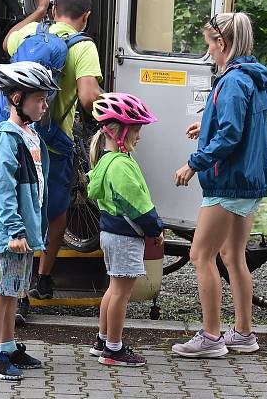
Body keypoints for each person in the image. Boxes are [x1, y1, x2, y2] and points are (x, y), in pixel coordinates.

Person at [171, 12, 267, 358]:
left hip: (228, 182)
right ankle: (243, 333)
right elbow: (240, 125)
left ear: (223, 43)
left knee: (200, 255)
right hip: (249, 181)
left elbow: (231, 135)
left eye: (210, 46)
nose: (209, 53)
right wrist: (207, 124)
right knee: (232, 255)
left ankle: (211, 337)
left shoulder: (231, 82)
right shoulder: (252, 78)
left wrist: (193, 164)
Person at [2, 0, 102, 301]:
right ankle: (42, 278)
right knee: (55, 211)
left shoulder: (31, 32)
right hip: (54, 145)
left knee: (17, 206)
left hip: (19, 137)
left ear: (53, 9)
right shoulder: (83, 46)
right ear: (85, 17)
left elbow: (6, 43)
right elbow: (88, 98)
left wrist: (37, 12)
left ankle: (12, 286)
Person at [0, 62, 58, 380]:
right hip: (13, 233)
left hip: (25, 232)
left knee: (13, 291)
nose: (44, 104)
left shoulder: (30, 135)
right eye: (38, 98)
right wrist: (15, 229)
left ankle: (8, 347)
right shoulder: (9, 140)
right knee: (0, 292)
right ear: (16, 99)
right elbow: (5, 191)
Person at [86, 93, 164, 367]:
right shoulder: (120, 165)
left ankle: (103, 340)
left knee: (113, 288)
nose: (140, 135)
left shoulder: (107, 161)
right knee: (122, 293)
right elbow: (137, 205)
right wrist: (155, 228)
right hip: (124, 237)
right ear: (120, 131)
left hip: (111, 234)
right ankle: (114, 350)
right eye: (137, 129)